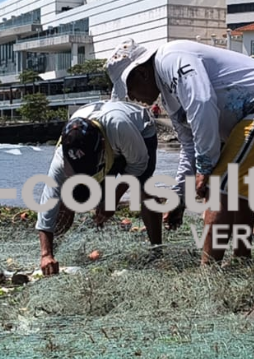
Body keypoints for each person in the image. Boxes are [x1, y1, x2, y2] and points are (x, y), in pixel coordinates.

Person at [108, 39, 254, 264]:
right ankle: (242, 261)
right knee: (239, 195)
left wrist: (205, 168)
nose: (132, 98)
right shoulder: (169, 95)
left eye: (129, 89)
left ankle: (208, 274)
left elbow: (203, 102)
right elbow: (188, 148)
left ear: (141, 73)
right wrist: (179, 198)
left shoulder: (171, 58)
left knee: (219, 192)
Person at [36, 100, 163, 275]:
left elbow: (138, 165)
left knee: (143, 187)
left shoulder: (120, 127)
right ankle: (54, 252)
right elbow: (47, 206)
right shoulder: (60, 159)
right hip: (106, 145)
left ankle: (157, 250)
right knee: (65, 196)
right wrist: (46, 253)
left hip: (139, 133)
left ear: (102, 147)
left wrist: (114, 198)